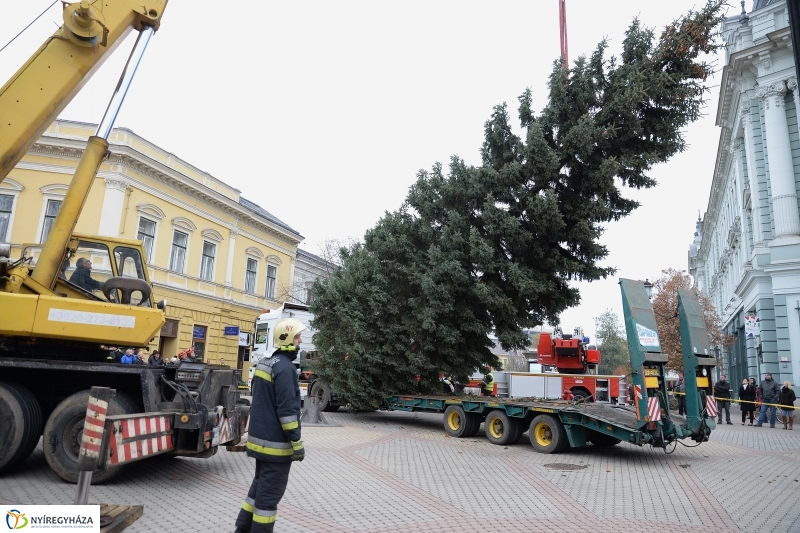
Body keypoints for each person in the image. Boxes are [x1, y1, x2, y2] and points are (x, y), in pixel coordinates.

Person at [235, 318, 304, 533]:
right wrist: (297, 442)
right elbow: (287, 412)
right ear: (287, 340)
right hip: (276, 446)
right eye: (297, 337)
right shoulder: (285, 369)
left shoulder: (266, 362)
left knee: (257, 491)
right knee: (268, 500)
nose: (301, 341)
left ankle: (241, 529)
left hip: (260, 442)